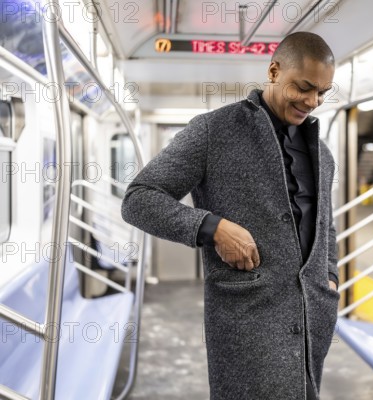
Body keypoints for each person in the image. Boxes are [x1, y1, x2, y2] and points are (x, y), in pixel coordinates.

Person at [121, 32, 340, 400]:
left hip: (312, 316)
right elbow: (139, 199)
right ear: (274, 71)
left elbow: (325, 226)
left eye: (322, 93)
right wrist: (212, 227)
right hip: (247, 322)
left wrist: (329, 277)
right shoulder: (214, 131)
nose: (312, 101)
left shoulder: (322, 154)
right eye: (303, 87)